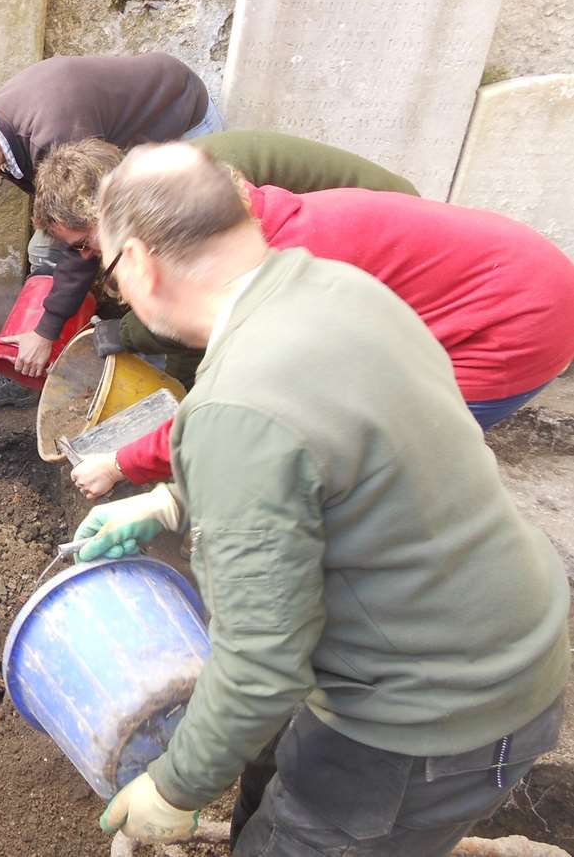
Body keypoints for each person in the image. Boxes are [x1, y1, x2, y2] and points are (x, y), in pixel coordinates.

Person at [72, 144, 567, 855]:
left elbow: (260, 663)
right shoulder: (339, 288)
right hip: (498, 641)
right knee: (272, 784)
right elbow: (330, 448)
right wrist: (172, 501)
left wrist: (172, 788)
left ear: (140, 263)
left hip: (427, 719)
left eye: (112, 272)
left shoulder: (235, 405)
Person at [47, 141, 574, 499]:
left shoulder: (278, 288)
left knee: (374, 464)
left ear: (150, 256)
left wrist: (121, 465)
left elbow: (228, 415)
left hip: (516, 317)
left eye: (114, 262)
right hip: (504, 268)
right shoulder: (245, 224)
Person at [0, 53, 222, 411]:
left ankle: (160, 380)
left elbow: (84, 240)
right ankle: (25, 369)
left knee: (155, 256)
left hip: (176, 123)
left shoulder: (53, 137)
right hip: (113, 148)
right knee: (45, 251)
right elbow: (67, 225)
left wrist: (47, 331)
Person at [34, 128, 418, 386]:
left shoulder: (186, 195)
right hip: (354, 233)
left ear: (101, 211)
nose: (87, 256)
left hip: (389, 242)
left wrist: (178, 392)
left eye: (85, 241)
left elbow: (202, 320)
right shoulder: (151, 185)